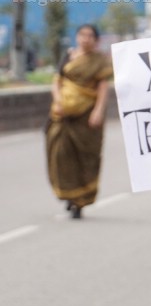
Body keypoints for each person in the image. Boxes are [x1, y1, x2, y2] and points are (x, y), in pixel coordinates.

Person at [45, 23, 113, 219]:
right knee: (61, 156)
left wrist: (98, 111)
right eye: (82, 35)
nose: (85, 39)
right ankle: (68, 195)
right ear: (77, 37)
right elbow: (57, 81)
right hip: (62, 115)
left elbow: (102, 87)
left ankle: (79, 201)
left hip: (86, 117)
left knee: (85, 158)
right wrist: (58, 101)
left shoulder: (99, 61)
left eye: (90, 35)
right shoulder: (68, 56)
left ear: (96, 40)